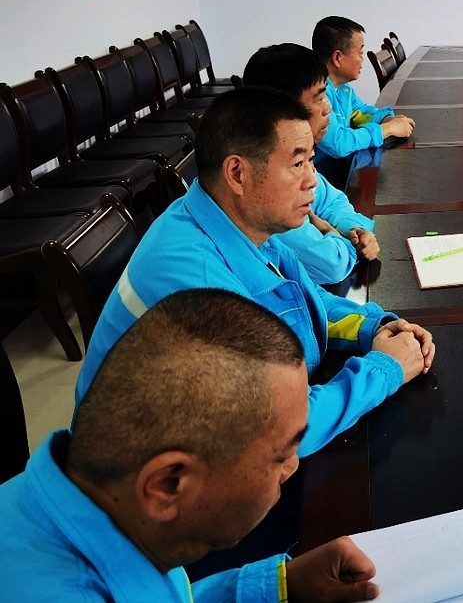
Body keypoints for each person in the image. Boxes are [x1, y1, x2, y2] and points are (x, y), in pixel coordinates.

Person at [77, 88, 435, 457]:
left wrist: (371, 326)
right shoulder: (195, 282)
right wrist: (384, 369)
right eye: (297, 164)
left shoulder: (231, 219)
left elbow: (298, 299)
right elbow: (277, 430)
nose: (312, 179)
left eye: (311, 160)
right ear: (237, 173)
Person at [0, 288, 379, 602]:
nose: (292, 466)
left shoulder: (80, 500)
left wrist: (279, 583)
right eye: (281, 456)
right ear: (168, 484)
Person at [243, 43, 380, 286]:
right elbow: (332, 263)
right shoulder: (267, 179)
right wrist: (334, 234)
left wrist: (353, 229)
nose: (328, 107)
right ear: (284, 108)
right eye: (319, 98)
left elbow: (331, 200)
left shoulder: (298, 156)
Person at [313, 16, 415, 164]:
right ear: (337, 58)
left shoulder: (343, 89)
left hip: (347, 166)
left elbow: (361, 112)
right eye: (360, 53)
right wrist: (388, 129)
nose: (363, 59)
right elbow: (340, 143)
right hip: (327, 175)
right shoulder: (316, 96)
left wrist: (386, 119)